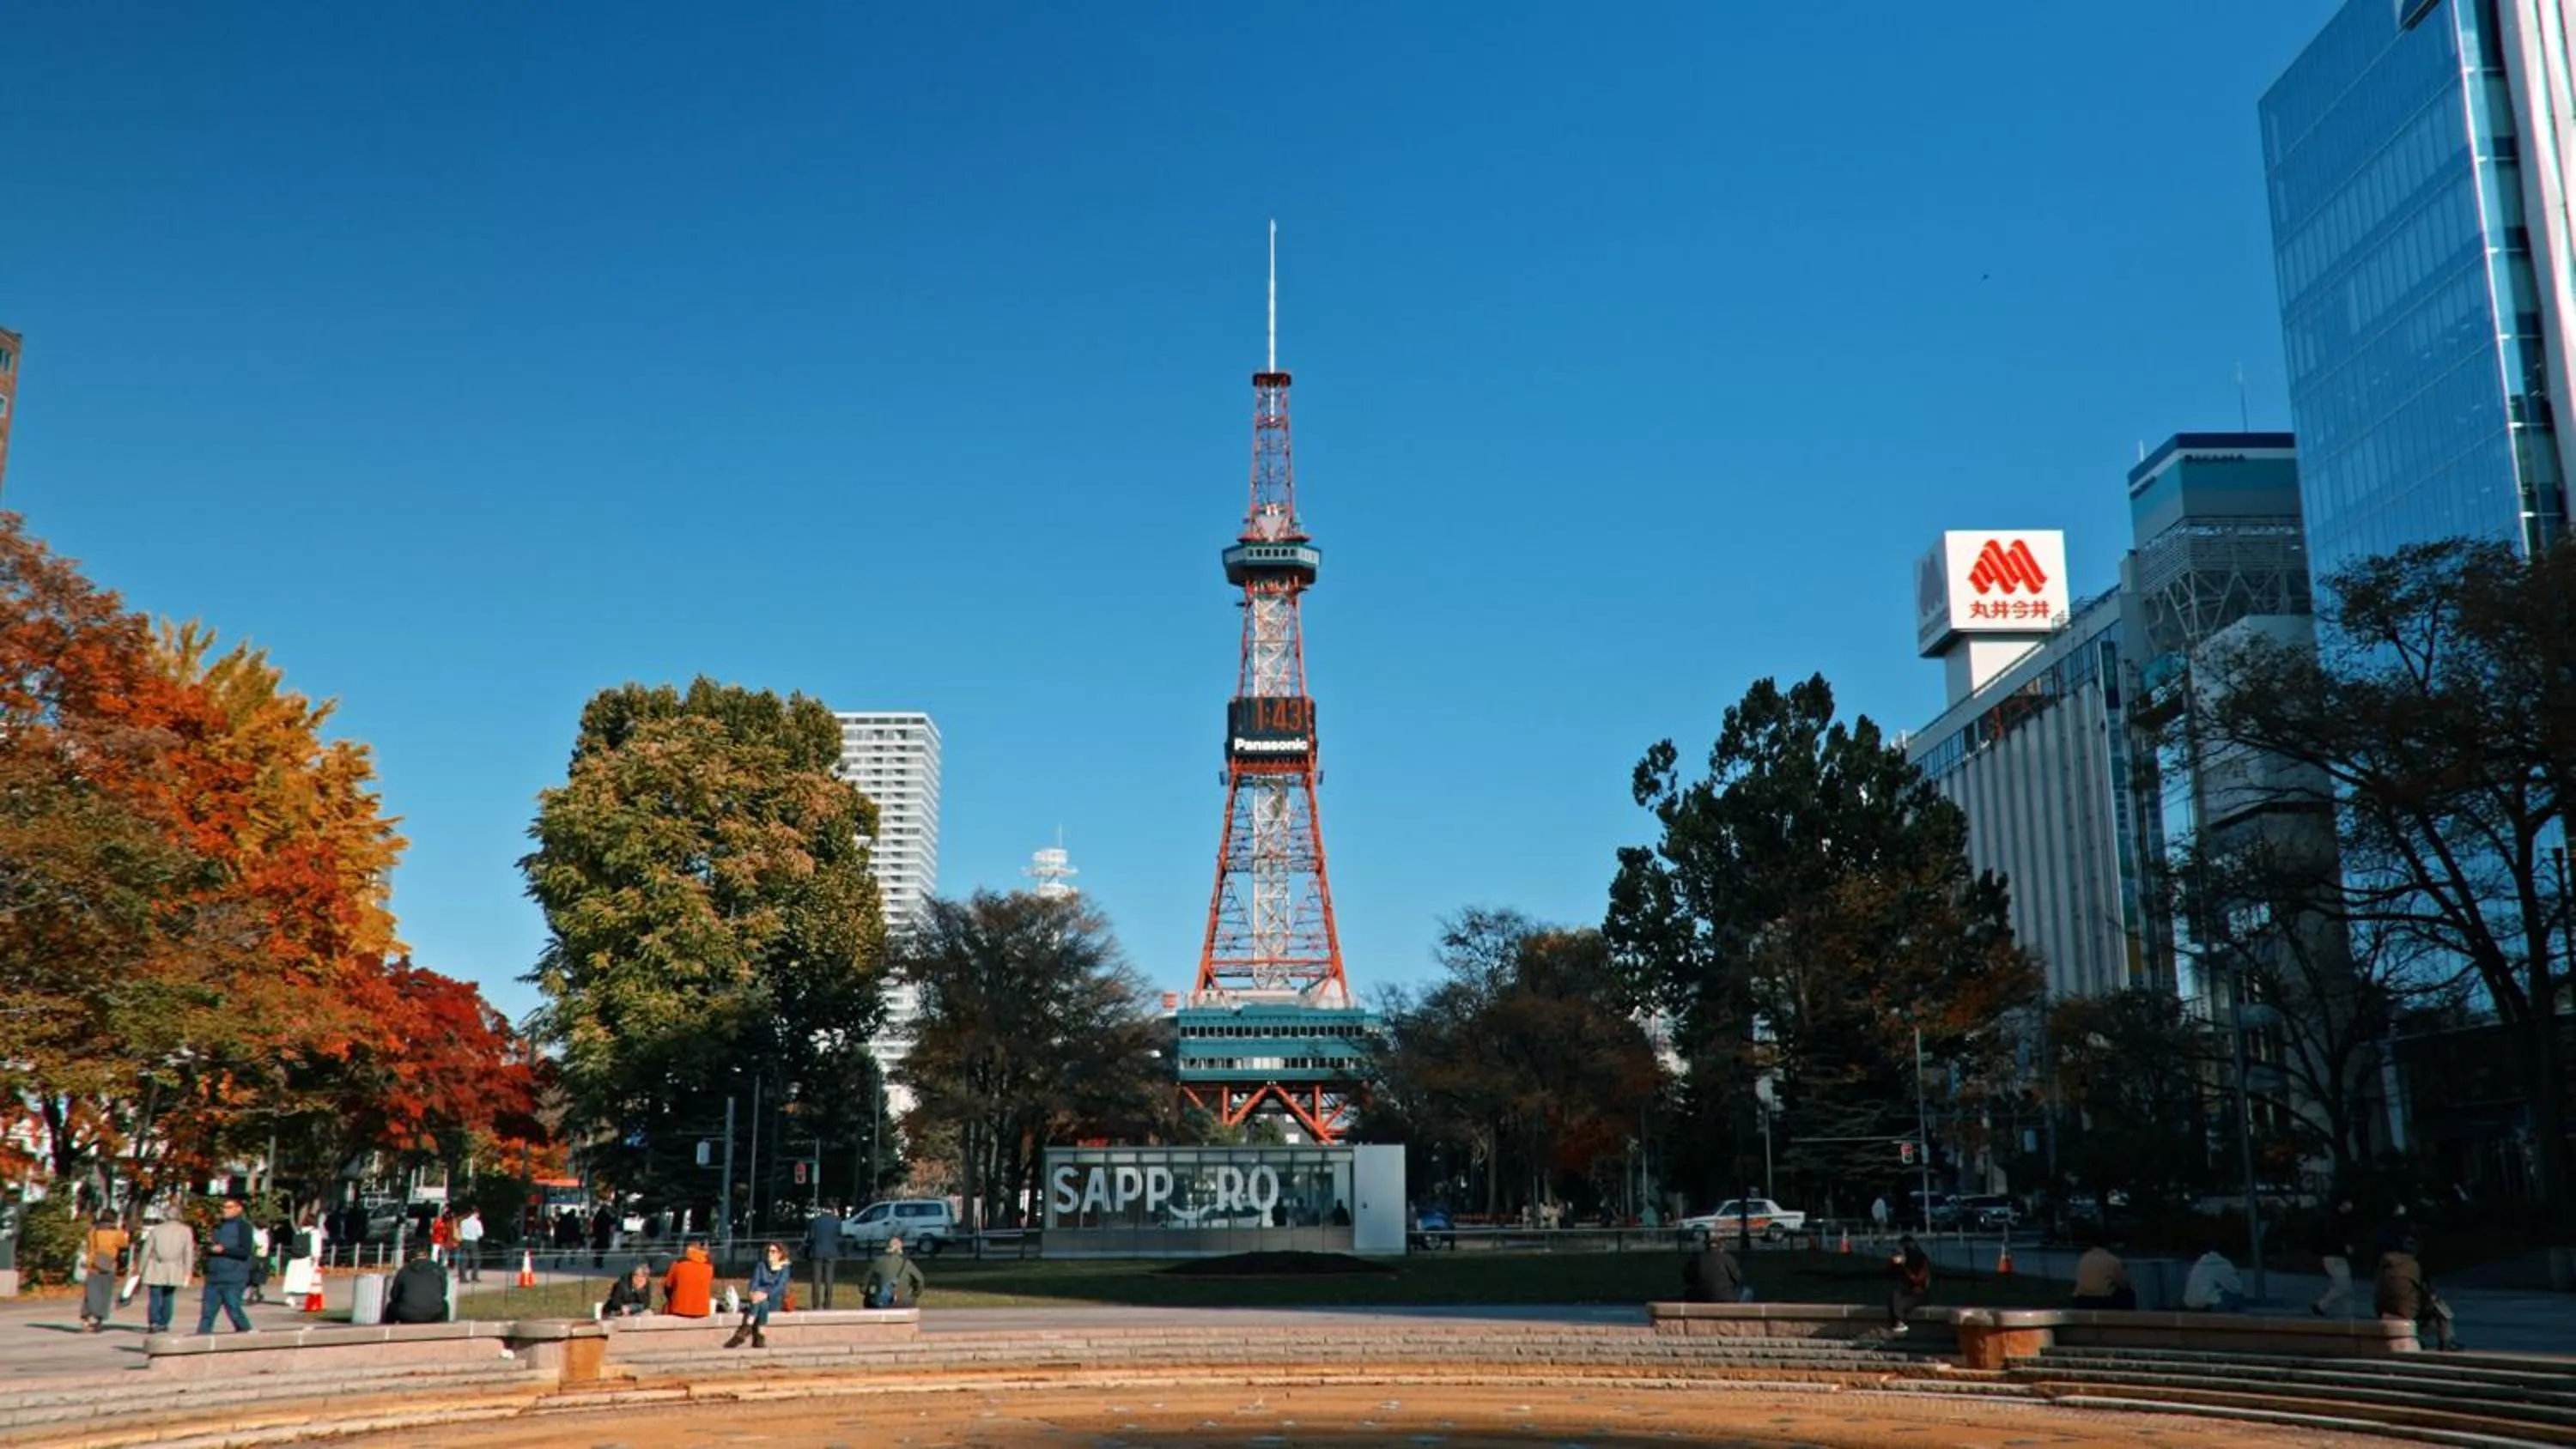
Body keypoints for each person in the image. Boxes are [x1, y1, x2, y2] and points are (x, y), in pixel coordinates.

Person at [2376, 1236, 2461, 1351]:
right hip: (2407, 1313)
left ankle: (2417, 1338)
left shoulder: (2386, 1265)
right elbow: (2427, 1293)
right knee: (2441, 1310)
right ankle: (2447, 1341)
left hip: (2384, 1312)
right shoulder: (2414, 1266)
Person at [195, 1197, 257, 1335]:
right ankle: (202, 1336)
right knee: (207, 1312)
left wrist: (224, 1250)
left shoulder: (244, 1226)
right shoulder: (217, 1226)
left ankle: (245, 1331)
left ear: (238, 1209)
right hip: (214, 1274)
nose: (225, 1210)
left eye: (229, 1207)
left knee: (234, 1309)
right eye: (224, 1207)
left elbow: (245, 1251)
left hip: (234, 1275)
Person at [138, 1204, 196, 1336]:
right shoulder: (185, 1230)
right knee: (169, 1296)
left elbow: (146, 1250)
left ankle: (153, 1322)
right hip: (174, 1266)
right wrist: (188, 1271)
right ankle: (164, 1322)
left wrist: (141, 1268)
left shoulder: (156, 1230)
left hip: (156, 1266)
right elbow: (188, 1252)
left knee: (155, 1296)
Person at [726, 1242, 793, 1349]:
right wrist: (752, 1293)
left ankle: (747, 1327)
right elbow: (754, 1282)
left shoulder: (784, 1268)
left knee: (762, 1301)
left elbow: (780, 1287)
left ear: (780, 1254)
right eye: (769, 1251)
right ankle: (760, 1338)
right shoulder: (761, 1265)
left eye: (773, 1251)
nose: (770, 1254)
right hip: (759, 1299)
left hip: (774, 1299)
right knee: (762, 1303)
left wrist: (765, 1295)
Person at [78, 1210, 128, 1333]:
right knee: (104, 1293)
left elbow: (90, 1247)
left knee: (90, 1293)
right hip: (109, 1265)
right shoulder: (117, 1233)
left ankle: (85, 1318)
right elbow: (124, 1245)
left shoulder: (93, 1231)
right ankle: (99, 1319)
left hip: (93, 1265)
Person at [2312, 1197, 2360, 1317]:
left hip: (2337, 1255)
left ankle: (2347, 1312)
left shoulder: (2338, 1219)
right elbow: (2332, 1237)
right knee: (2343, 1284)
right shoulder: (2335, 1220)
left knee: (2345, 1284)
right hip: (2334, 1255)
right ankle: (2321, 1305)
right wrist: (2345, 1246)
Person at [385, 1246, 449, 1325]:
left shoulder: (404, 1270)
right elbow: (443, 1293)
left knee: (390, 1306)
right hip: (433, 1313)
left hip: (407, 1314)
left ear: (411, 1259)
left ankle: (388, 1330)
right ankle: (444, 1330)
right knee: (445, 1304)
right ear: (427, 1257)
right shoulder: (438, 1269)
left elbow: (394, 1295)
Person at [865, 1232, 926, 1310]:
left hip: (881, 1302)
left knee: (869, 1301)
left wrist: (870, 1293)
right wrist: (915, 1294)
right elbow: (920, 1280)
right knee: (909, 1300)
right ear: (900, 1249)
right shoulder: (907, 1264)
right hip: (903, 1302)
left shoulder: (878, 1262)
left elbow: (864, 1285)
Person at [2072, 1237, 2136, 1310]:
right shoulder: (2113, 1260)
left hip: (2081, 1299)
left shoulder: (2083, 1258)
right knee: (2128, 1294)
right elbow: (2124, 1284)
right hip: (2102, 1300)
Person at [1886, 1234, 1930, 1336]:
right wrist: (1893, 1264)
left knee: (1901, 1302)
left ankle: (1899, 1322)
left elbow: (1918, 1280)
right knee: (1895, 1295)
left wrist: (1904, 1266)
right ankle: (1898, 1323)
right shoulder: (1900, 1261)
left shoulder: (1921, 1260)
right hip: (1906, 1291)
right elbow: (1889, 1276)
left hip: (1920, 1292)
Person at [2183, 1244, 2246, 1313]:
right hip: (2209, 1304)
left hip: (2190, 1302)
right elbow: (2236, 1288)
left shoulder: (2199, 1264)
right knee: (2236, 1296)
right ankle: (2243, 1318)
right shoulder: (2223, 1264)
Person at [278, 1213, 322, 1310]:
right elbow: (316, 1247)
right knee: (309, 1279)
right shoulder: (314, 1232)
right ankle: (309, 1299)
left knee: (293, 1279)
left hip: (295, 1258)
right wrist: (317, 1257)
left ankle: (290, 1297)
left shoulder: (298, 1232)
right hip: (307, 1259)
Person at [662, 1240, 715, 1318]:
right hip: (702, 1312)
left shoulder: (678, 1264)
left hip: (679, 1311)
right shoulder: (709, 1266)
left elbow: (668, 1287)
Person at [1683, 1238, 1747, 1304]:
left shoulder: (1696, 1259)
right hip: (1726, 1297)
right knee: (1747, 1291)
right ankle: (1738, 1313)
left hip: (1700, 1297)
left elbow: (1687, 1278)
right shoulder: (1727, 1258)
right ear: (1721, 1248)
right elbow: (1738, 1278)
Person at [456, 1208, 485, 1283]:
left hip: (464, 1241)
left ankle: (462, 1277)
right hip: (473, 1241)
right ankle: (474, 1276)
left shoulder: (463, 1222)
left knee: (463, 1260)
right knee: (476, 1259)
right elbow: (480, 1234)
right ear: (476, 1214)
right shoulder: (477, 1222)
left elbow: (461, 1231)